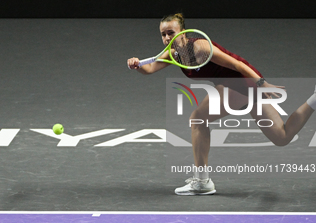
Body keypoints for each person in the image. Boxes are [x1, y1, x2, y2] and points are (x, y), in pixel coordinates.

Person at [127, 13, 316, 195]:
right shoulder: (174, 55)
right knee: (282, 136)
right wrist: (138, 66)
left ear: (183, 33)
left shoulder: (200, 47)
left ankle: (202, 181)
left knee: (198, 119)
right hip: (235, 87)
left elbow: (237, 64)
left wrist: (262, 83)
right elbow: (150, 68)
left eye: (171, 33)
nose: (167, 38)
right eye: (163, 34)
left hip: (241, 83)